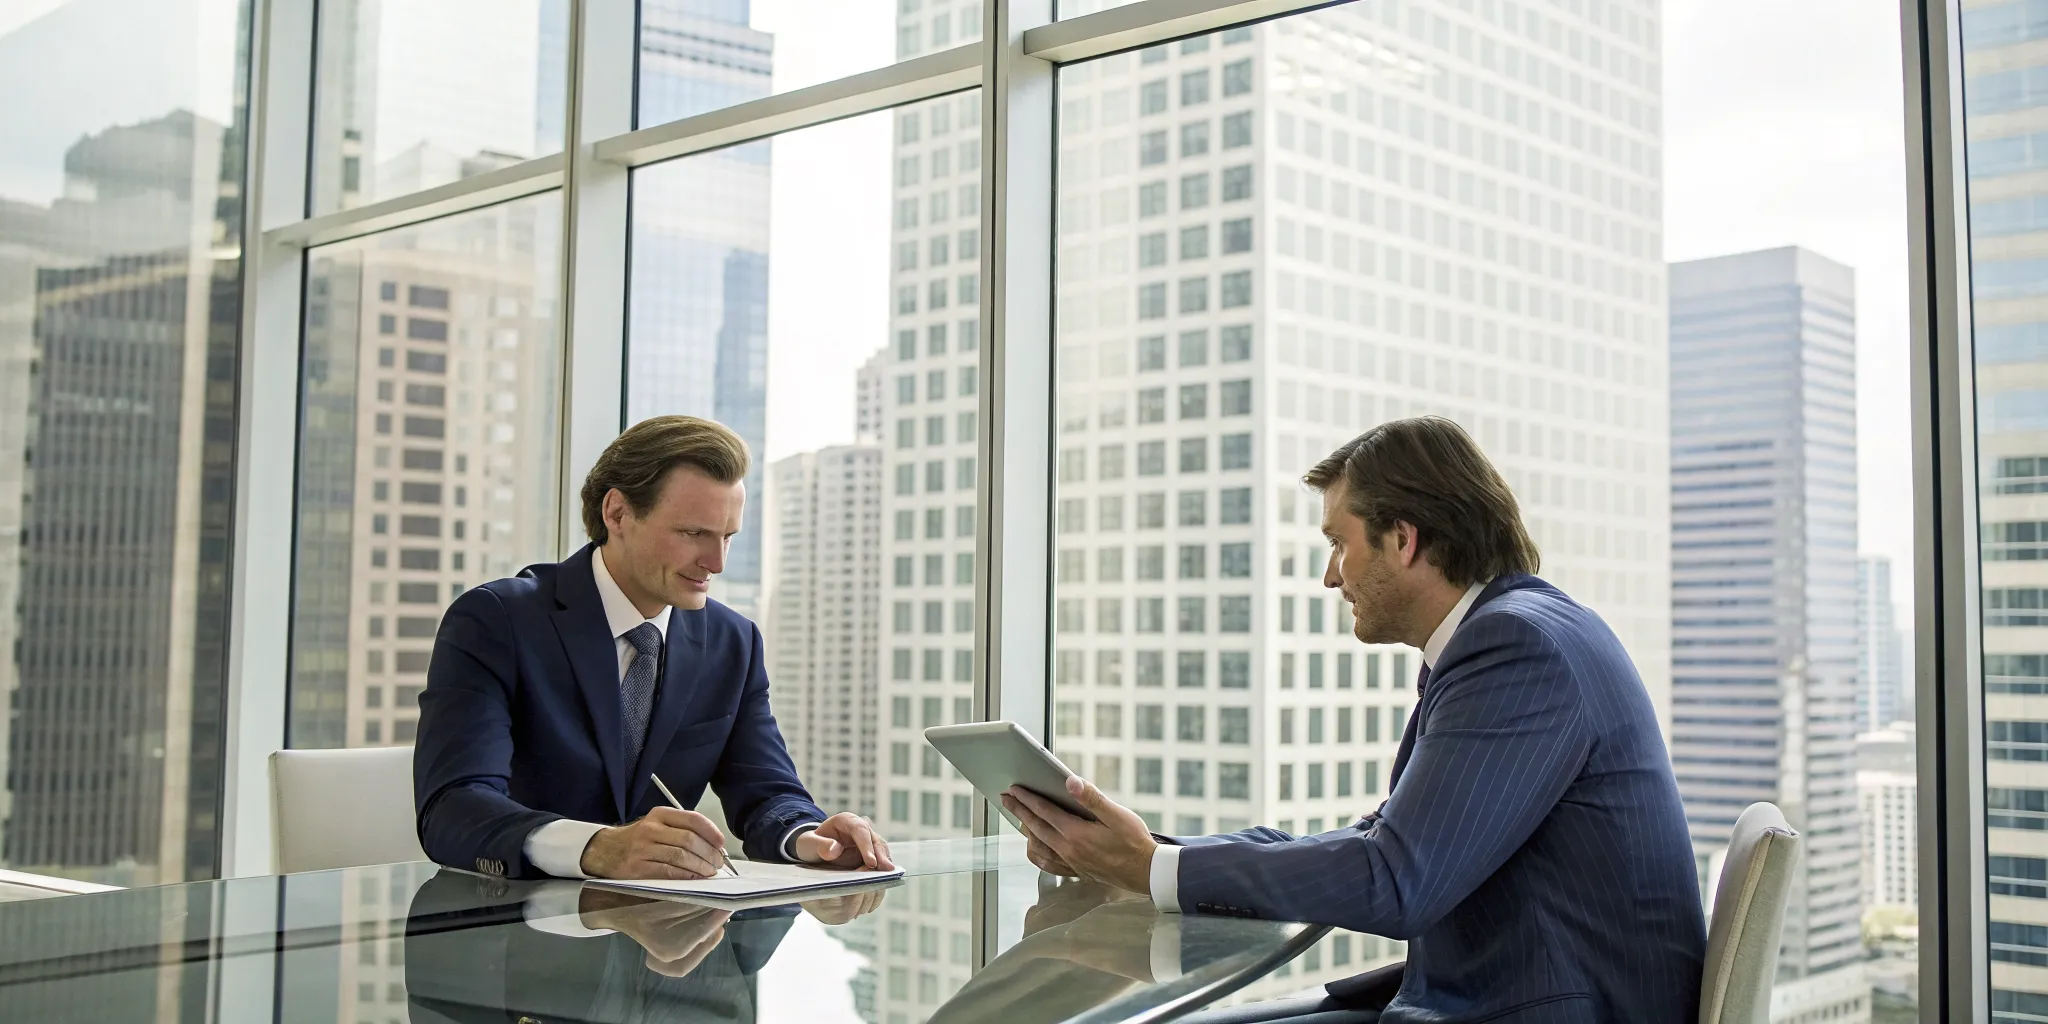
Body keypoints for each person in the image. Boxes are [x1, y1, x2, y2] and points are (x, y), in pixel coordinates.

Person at [1001, 416, 1706, 1023]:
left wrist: (1155, 868)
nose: (1331, 576)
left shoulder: (1517, 649)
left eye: (1339, 542)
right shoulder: (1512, 632)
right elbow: (1385, 837)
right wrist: (1144, 853)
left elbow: (1395, 880)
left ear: (1403, 538)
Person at [413, 415, 891, 881]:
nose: (716, 562)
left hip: (665, 943)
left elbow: (767, 793)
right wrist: (597, 847)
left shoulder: (733, 643)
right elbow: (453, 807)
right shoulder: (497, 620)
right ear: (617, 513)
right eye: (693, 533)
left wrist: (810, 836)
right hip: (514, 935)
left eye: (727, 537)